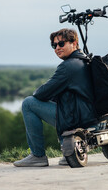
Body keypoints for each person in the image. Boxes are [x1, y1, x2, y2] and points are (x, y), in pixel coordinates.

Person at [13, 28, 99, 167]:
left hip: (77, 117)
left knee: (29, 103)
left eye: (61, 44)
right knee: (58, 101)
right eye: (54, 45)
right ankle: (69, 153)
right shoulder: (84, 61)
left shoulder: (68, 66)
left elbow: (42, 93)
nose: (57, 48)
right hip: (89, 115)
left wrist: (39, 94)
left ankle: (37, 156)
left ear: (74, 43)